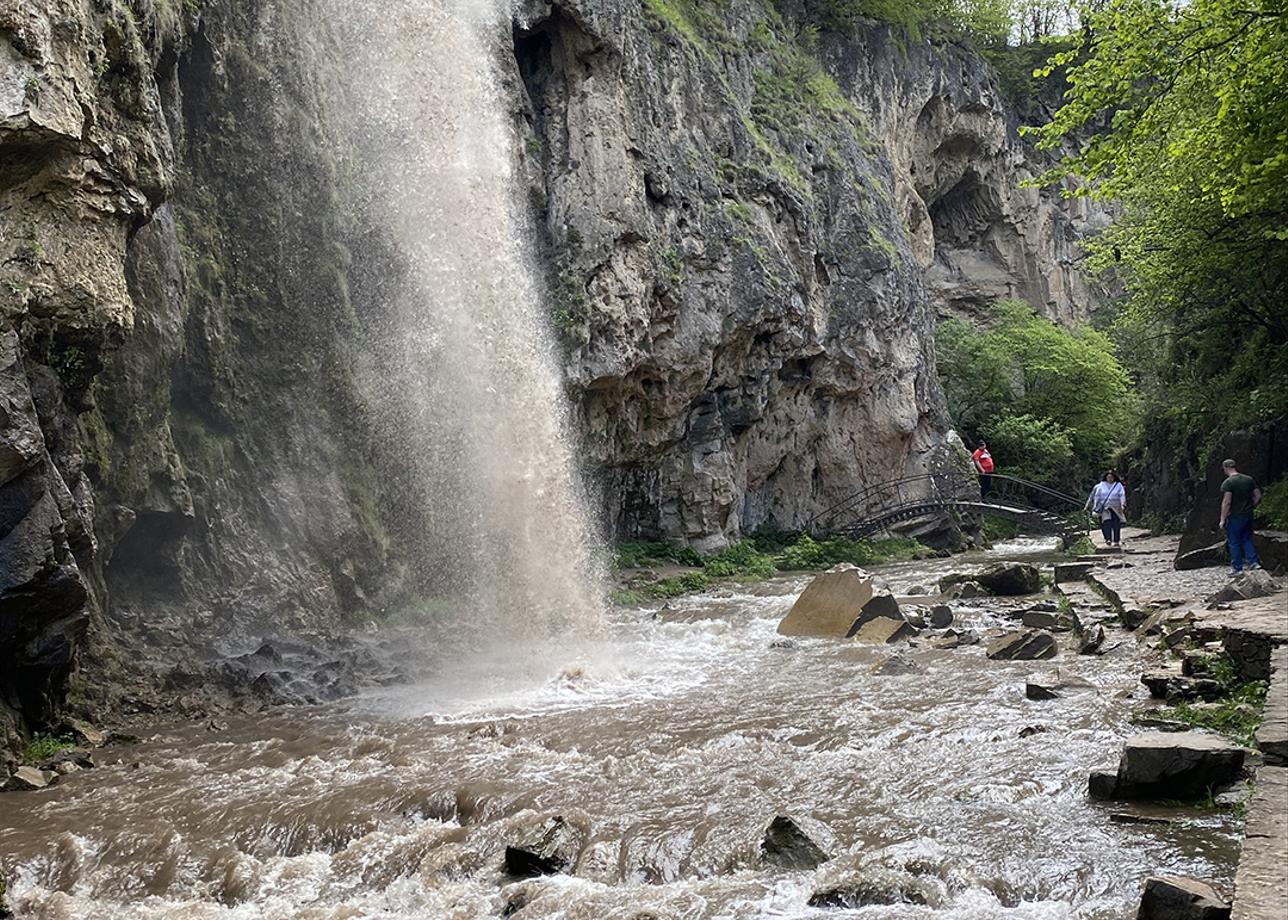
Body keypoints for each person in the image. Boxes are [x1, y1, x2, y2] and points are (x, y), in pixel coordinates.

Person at [1218, 459, 1262, 574]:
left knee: (1234, 542)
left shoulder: (1228, 483)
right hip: (1248, 515)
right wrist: (1251, 505)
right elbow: (1257, 495)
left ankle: (1237, 568)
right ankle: (1254, 563)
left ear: (1225, 468)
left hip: (1235, 516)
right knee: (1247, 539)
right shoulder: (1248, 479)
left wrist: (1222, 519)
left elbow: (1227, 502)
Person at [1085, 470, 1127, 547]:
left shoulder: (1118, 485)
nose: (1110, 479)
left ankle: (1116, 540)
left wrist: (1122, 504)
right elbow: (1094, 496)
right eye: (1108, 477)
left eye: (1111, 477)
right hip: (1105, 507)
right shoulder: (1100, 485)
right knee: (1106, 523)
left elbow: (1122, 495)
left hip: (1116, 507)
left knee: (1116, 524)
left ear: (1114, 478)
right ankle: (1108, 539)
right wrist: (1092, 506)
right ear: (1105, 478)